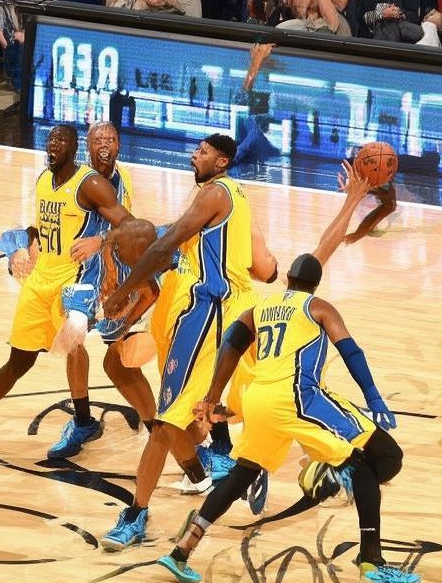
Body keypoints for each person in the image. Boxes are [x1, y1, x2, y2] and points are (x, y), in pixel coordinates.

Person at [155, 164, 418, 583]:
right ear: (315, 282)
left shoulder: (259, 307)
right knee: (378, 460)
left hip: (257, 399)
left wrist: (211, 397)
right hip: (296, 396)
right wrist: (373, 397)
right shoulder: (317, 306)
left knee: (240, 475)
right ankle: (371, 559)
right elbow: (351, 351)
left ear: (289, 278)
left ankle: (181, 550)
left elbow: (230, 345)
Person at [96, 134, 278, 553]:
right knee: (186, 416)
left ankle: (137, 514)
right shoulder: (233, 195)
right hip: (219, 309)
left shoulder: (215, 193)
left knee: (166, 422)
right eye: (196, 149)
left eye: (204, 151)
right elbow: (258, 266)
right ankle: (237, 463)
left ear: (223, 161)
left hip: (209, 310)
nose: (195, 154)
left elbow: (167, 243)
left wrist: (124, 290)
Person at [0, 124, 132, 455]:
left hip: (74, 281)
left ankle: (84, 420)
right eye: (50, 141)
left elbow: (132, 226)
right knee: (19, 359)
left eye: (60, 142)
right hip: (39, 281)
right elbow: (38, 227)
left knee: (74, 346)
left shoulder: (90, 184)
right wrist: (22, 246)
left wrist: (100, 240)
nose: (52, 146)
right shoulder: (44, 180)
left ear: (74, 149)